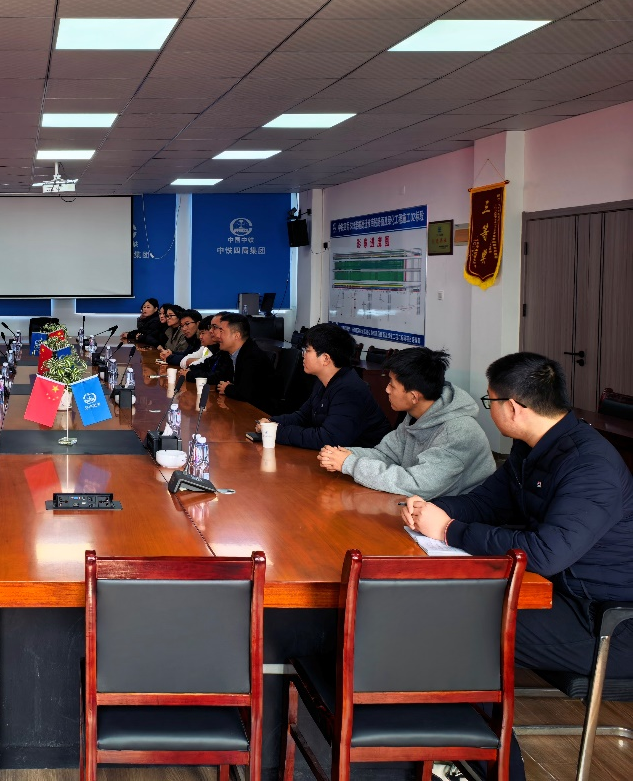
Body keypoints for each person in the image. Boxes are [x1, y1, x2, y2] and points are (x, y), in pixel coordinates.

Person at [403, 352, 632, 781]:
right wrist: (428, 510)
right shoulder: (533, 449)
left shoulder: (590, 465)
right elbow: (487, 503)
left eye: (489, 401)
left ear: (513, 407)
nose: (488, 409)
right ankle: (455, 749)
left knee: (464, 625)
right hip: (559, 594)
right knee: (444, 604)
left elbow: (545, 553)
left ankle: (492, 769)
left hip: (609, 623)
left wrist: (449, 531)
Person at [317, 347, 493, 497]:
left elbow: (417, 484)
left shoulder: (458, 433)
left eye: (392, 385)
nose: (386, 389)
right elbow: (387, 455)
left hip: (458, 515)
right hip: (421, 506)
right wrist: (346, 454)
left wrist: (350, 463)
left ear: (414, 396)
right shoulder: (417, 415)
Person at [258, 323, 390, 450]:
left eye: (307, 350)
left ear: (326, 358)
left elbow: (328, 439)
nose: (303, 355)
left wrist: (277, 432)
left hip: (365, 459)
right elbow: (303, 417)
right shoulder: (324, 381)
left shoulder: (349, 390)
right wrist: (271, 422)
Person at [205, 312, 273, 409]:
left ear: (236, 335)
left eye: (221, 331)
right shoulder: (231, 354)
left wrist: (228, 388)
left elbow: (245, 393)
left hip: (259, 411)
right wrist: (227, 387)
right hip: (238, 405)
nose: (218, 336)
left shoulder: (252, 356)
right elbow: (220, 382)